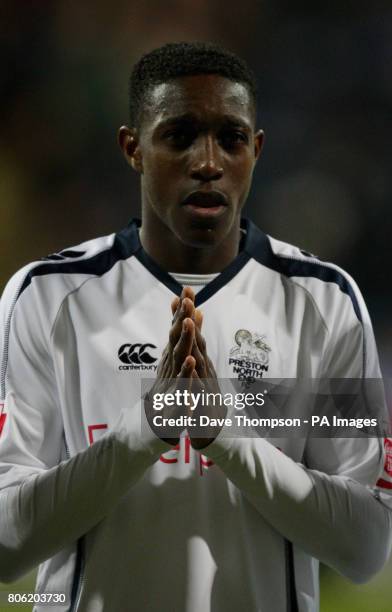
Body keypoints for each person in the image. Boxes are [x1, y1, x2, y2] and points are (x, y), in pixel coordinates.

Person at [0, 41, 391, 612]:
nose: (208, 162)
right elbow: (7, 545)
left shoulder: (323, 303)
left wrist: (225, 437)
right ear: (132, 148)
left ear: (256, 151)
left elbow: (366, 547)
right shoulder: (50, 297)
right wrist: (148, 431)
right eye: (179, 135)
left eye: (231, 139)